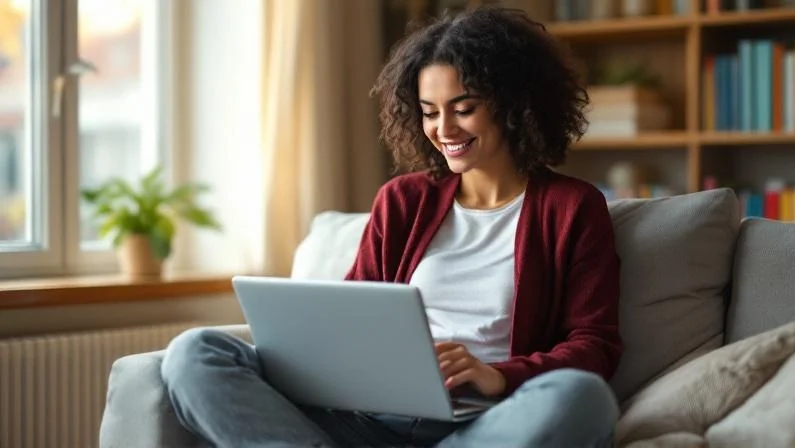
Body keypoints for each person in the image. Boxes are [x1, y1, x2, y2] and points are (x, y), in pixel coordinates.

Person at [161, 6, 622, 448]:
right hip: (367, 420)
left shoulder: (572, 207)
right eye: (429, 111)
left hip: (482, 423)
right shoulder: (403, 200)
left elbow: (594, 345)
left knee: (582, 399)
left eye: (463, 108)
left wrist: (497, 373)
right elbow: (352, 315)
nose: (444, 129)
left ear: (513, 106)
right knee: (194, 351)